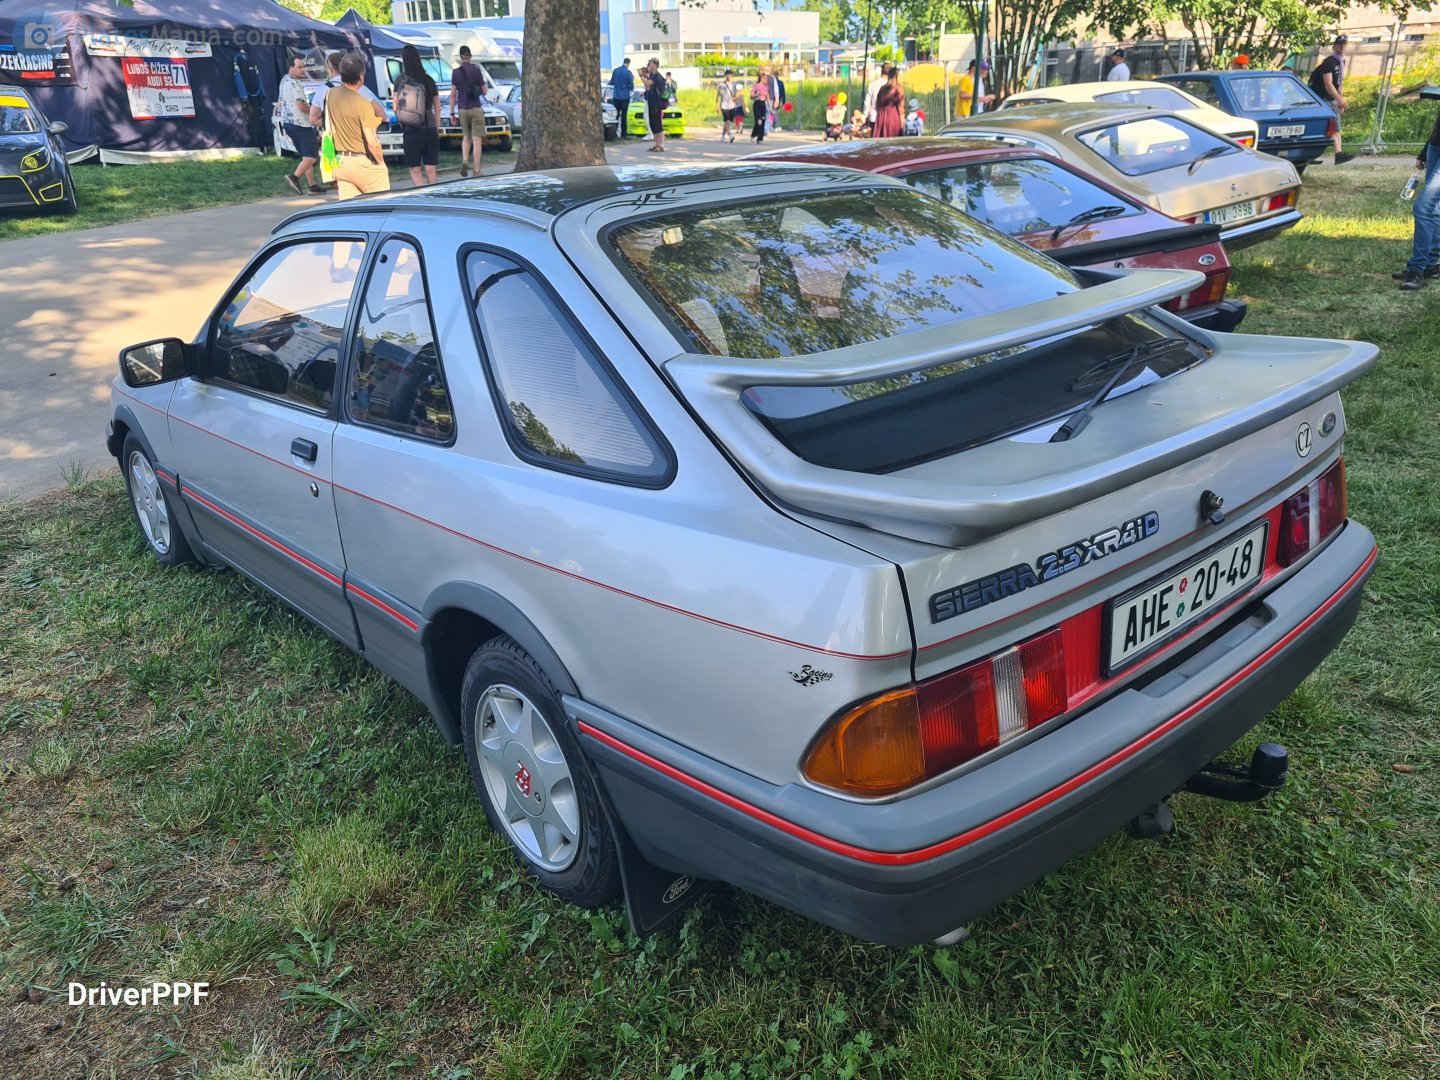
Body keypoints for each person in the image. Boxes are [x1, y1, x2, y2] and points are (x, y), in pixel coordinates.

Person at [327, 52, 389, 200]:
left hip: (341, 162)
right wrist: (380, 162)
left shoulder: (330, 94)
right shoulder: (363, 103)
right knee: (380, 204)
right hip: (362, 162)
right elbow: (372, 139)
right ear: (361, 77)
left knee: (350, 208)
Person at [1395, 99, 1440, 290]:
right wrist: (1424, 152)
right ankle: (1430, 264)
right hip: (1436, 145)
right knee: (1435, 209)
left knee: (1423, 207)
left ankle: (1417, 269)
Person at [394, 43, 439, 187]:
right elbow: (437, 106)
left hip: (410, 129)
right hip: (430, 127)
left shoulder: (400, 81)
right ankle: (434, 194)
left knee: (415, 169)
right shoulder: (428, 80)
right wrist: (436, 126)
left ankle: (422, 194)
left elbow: (395, 106)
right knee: (431, 169)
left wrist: (403, 121)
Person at [278, 54, 321, 196]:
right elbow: (301, 106)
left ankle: (312, 185)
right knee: (312, 156)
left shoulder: (284, 80)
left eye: (304, 67)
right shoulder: (295, 83)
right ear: (291, 67)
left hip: (288, 123)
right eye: (299, 67)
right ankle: (294, 177)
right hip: (300, 124)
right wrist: (316, 111)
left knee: (305, 155)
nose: (303, 70)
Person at [1309, 36, 1354, 164]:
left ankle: (1339, 154)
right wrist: (1339, 99)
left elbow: (1339, 83)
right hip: (1321, 98)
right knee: (1329, 127)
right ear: (1334, 46)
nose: (1342, 47)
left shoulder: (1341, 61)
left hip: (1331, 98)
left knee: (1335, 128)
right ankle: (1310, 155)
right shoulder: (1329, 63)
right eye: (1340, 44)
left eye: (1344, 44)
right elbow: (1328, 84)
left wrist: (1341, 100)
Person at [451, 45, 489, 177]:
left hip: (462, 109)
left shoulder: (456, 73)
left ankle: (465, 160)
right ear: (470, 56)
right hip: (475, 108)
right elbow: (485, 91)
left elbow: (453, 94)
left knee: (466, 137)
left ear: (460, 57)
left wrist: (452, 113)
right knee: (476, 140)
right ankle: (476, 170)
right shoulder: (476, 71)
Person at [233, 47, 269, 152]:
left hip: (255, 96)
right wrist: (244, 96)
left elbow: (257, 77)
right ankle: (257, 144)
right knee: (253, 120)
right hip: (250, 97)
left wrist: (261, 92)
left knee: (258, 119)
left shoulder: (251, 58)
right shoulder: (238, 59)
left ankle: (262, 144)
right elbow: (238, 78)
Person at [872, 67, 903, 138]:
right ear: (896, 76)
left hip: (882, 115)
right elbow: (901, 106)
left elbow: (877, 104)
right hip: (893, 116)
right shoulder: (898, 88)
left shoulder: (882, 88)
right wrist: (902, 119)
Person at [643, 59, 667, 152]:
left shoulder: (657, 76)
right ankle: (656, 144)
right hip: (651, 102)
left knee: (658, 124)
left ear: (655, 65)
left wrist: (641, 76)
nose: (649, 65)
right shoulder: (652, 76)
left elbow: (647, 83)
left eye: (651, 64)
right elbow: (648, 87)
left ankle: (661, 145)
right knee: (653, 124)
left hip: (657, 103)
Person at [609, 57, 634, 139]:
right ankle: (624, 134)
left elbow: (611, 82)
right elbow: (631, 85)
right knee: (624, 116)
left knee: (615, 116)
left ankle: (614, 134)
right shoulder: (628, 72)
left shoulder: (616, 71)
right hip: (625, 97)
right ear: (628, 63)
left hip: (616, 96)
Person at [716, 70, 741, 143]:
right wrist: (717, 107)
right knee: (727, 121)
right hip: (724, 105)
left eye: (730, 75)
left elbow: (736, 95)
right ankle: (730, 135)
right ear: (725, 76)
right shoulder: (722, 85)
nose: (729, 76)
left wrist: (736, 99)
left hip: (731, 105)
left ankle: (723, 136)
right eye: (728, 75)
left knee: (728, 121)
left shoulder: (734, 84)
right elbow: (718, 96)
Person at [749, 71, 770, 143]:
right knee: (759, 121)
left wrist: (770, 107)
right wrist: (756, 94)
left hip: (763, 104)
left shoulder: (766, 87)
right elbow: (751, 96)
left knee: (763, 120)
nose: (766, 80)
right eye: (765, 79)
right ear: (761, 78)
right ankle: (753, 135)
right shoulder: (757, 86)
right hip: (757, 103)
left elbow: (767, 97)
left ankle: (760, 138)